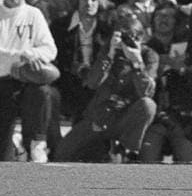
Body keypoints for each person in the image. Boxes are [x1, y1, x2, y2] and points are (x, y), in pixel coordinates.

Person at [0, 0, 60, 162]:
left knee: (43, 91)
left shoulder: (34, 14)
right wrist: (18, 59)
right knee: (2, 154)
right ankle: (12, 149)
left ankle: (36, 143)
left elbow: (50, 49)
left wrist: (29, 56)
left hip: (27, 80)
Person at [56, 20, 158, 163]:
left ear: (142, 39)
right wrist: (109, 55)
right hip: (99, 119)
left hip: (126, 121)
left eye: (132, 36)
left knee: (148, 105)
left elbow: (147, 93)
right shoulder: (107, 51)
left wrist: (137, 62)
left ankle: (128, 150)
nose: (126, 41)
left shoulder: (149, 56)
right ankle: (106, 150)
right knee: (62, 153)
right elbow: (92, 83)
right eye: (122, 36)